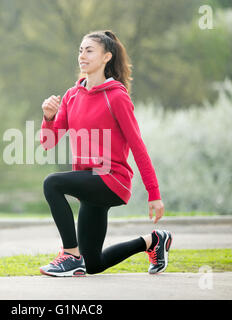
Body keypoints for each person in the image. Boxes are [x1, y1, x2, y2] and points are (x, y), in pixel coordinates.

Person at [39, 30, 172, 277]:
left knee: (52, 183)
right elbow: (48, 143)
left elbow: (138, 146)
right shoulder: (71, 96)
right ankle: (153, 242)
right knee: (94, 264)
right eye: (80, 50)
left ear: (106, 57)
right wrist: (48, 117)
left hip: (112, 179)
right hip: (91, 184)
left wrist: (154, 193)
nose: (82, 55)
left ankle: (70, 255)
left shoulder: (116, 96)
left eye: (89, 50)